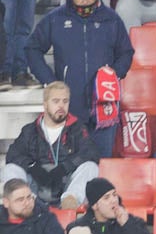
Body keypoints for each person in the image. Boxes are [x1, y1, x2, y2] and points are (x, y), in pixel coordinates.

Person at [24, 0, 134, 158]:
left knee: (102, 163)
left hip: (104, 105)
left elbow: (126, 52)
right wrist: (49, 81)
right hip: (69, 105)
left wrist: (115, 74)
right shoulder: (55, 19)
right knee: (71, 163)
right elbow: (32, 48)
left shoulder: (111, 18)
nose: (85, 1)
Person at [2, 82, 98, 210]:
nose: (61, 106)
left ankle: (70, 201)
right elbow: (13, 155)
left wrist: (64, 168)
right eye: (56, 101)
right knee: (10, 169)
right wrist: (34, 168)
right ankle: (29, 204)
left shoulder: (78, 128)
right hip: (36, 187)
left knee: (91, 167)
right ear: (45, 104)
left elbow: (91, 153)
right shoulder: (30, 130)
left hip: (65, 183)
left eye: (65, 101)